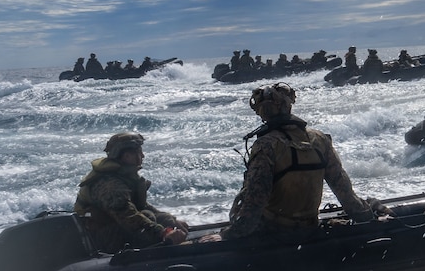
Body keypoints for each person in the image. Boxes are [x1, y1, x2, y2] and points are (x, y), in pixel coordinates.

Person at [204, 83, 376, 241]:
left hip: (273, 232)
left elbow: (255, 202)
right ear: (289, 104)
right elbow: (344, 191)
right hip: (310, 227)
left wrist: (226, 236)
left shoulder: (266, 145)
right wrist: (370, 218)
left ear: (260, 111)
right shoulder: (319, 139)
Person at [73, 132, 189, 252]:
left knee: (160, 218)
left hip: (113, 226)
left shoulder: (124, 176)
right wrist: (162, 232)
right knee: (147, 216)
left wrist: (171, 220)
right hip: (99, 239)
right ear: (127, 156)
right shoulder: (109, 184)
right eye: (139, 152)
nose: (143, 156)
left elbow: (140, 205)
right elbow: (127, 215)